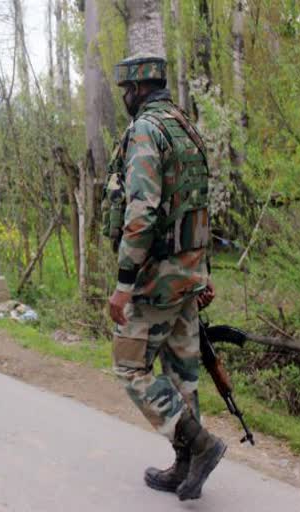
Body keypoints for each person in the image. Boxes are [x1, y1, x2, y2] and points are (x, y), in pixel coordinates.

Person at [102, 54, 223, 501]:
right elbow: (198, 203)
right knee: (181, 373)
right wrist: (202, 269)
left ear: (136, 89)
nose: (124, 100)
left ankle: (201, 444)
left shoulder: (146, 130)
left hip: (158, 276)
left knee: (129, 365)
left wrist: (123, 283)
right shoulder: (184, 126)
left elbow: (142, 211)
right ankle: (186, 467)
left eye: (124, 93)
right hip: (187, 270)